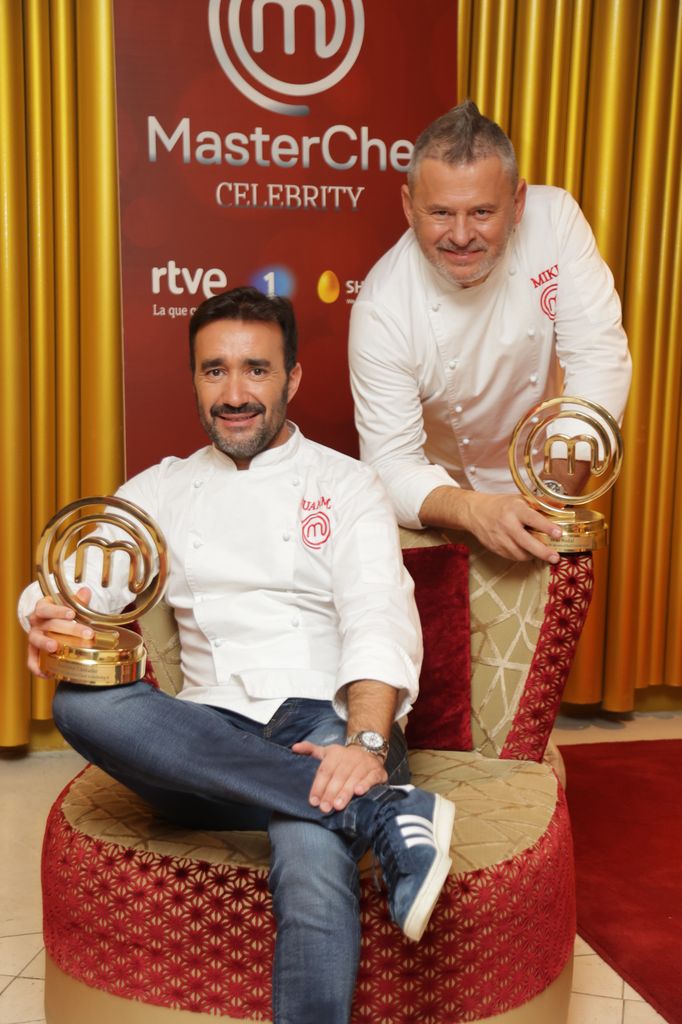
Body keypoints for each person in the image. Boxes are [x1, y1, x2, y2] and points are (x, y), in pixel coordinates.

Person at [19, 287, 455, 1024]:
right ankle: (379, 814)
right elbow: (81, 571)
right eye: (214, 371)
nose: (235, 393)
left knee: (313, 859)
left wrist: (367, 743)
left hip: (325, 721)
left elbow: (378, 613)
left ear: (292, 380)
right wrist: (44, 616)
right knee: (81, 700)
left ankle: (350, 798)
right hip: (204, 741)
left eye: (256, 370)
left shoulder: (346, 484)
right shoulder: (163, 487)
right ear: (194, 380)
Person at [349, 100, 632, 564]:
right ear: (407, 206)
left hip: (557, 487)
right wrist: (474, 509)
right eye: (440, 213)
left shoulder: (556, 221)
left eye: (482, 212)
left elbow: (598, 358)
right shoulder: (383, 306)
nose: (461, 236)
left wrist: (552, 501)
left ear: (518, 203)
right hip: (444, 511)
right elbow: (389, 464)